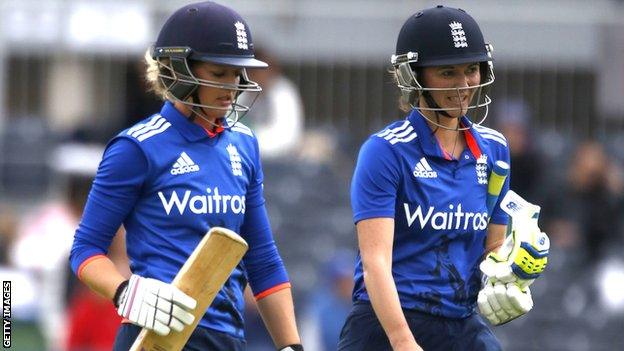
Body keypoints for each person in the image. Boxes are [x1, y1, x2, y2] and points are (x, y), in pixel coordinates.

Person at [68, 2, 303, 350]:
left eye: (237, 74)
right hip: (156, 337)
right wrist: (125, 293)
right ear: (177, 70)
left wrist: (291, 346)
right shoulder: (136, 148)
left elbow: (263, 259)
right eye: (219, 73)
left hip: (227, 340)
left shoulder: (245, 144)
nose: (232, 87)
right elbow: (85, 251)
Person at [338, 5, 546, 351]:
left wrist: (515, 265)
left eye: (471, 70)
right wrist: (402, 341)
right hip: (387, 323)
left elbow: (491, 248)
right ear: (414, 76)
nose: (464, 85)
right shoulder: (385, 151)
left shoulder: (494, 149)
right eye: (447, 73)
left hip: (461, 324)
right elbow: (375, 262)